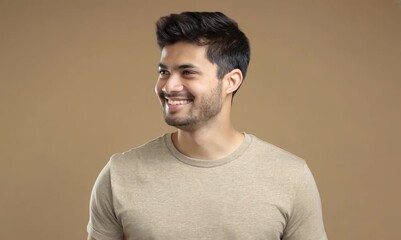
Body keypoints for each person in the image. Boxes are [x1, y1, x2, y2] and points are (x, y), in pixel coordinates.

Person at [87, 11, 327, 240]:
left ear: (231, 81)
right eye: (164, 72)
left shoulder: (290, 176)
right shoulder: (119, 175)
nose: (169, 86)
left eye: (188, 73)